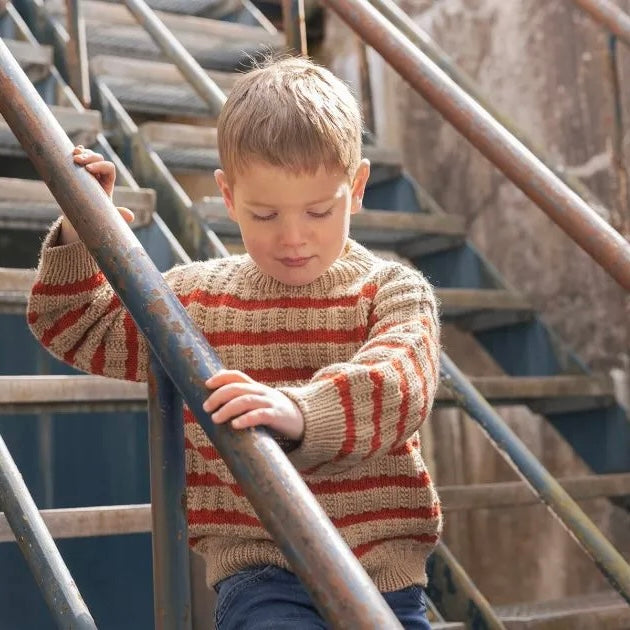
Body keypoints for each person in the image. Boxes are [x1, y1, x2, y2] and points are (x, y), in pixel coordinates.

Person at [27, 57, 441, 629]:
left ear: (359, 187)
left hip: (383, 577)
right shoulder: (195, 300)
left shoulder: (392, 291)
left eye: (320, 210)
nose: (293, 237)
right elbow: (75, 325)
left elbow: (400, 386)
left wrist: (298, 410)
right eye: (264, 213)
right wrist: (81, 227)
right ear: (227, 194)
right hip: (261, 575)